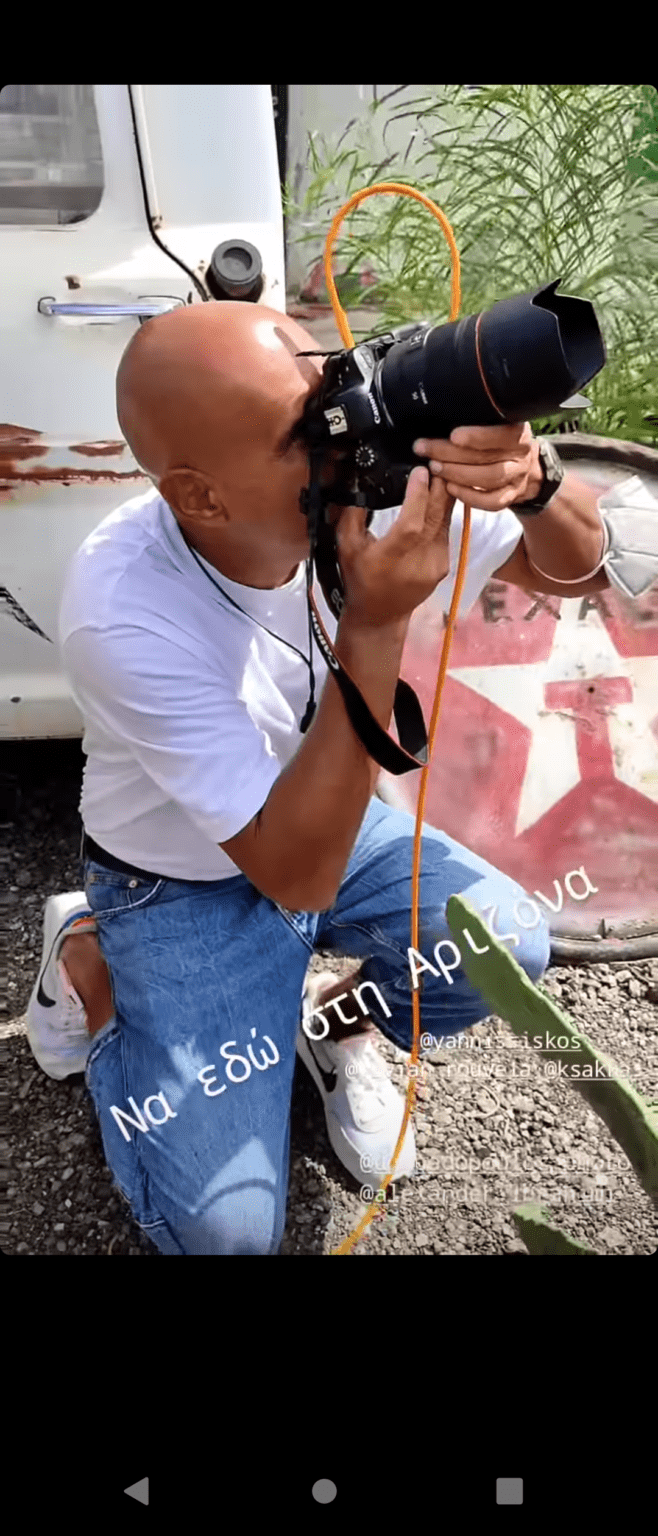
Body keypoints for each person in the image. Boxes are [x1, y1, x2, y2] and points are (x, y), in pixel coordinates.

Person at [26, 299, 553, 1255]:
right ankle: (94, 972)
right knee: (224, 1237)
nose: (349, 441)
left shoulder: (359, 490)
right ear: (200, 497)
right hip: (181, 882)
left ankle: (335, 1024)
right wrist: (376, 625)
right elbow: (294, 878)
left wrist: (535, 480)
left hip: (324, 818)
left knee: (504, 940)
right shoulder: (121, 603)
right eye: (309, 433)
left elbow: (576, 569)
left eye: (340, 395)